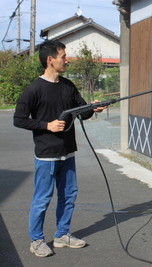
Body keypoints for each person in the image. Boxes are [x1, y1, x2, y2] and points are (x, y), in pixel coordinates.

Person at [13, 40, 106, 257]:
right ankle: (36, 240)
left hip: (68, 152)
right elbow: (19, 120)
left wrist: (93, 108)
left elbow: (81, 112)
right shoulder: (34, 90)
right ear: (50, 60)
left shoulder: (68, 86)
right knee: (43, 198)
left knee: (68, 194)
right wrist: (47, 125)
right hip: (46, 155)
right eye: (63, 56)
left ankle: (62, 235)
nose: (67, 60)